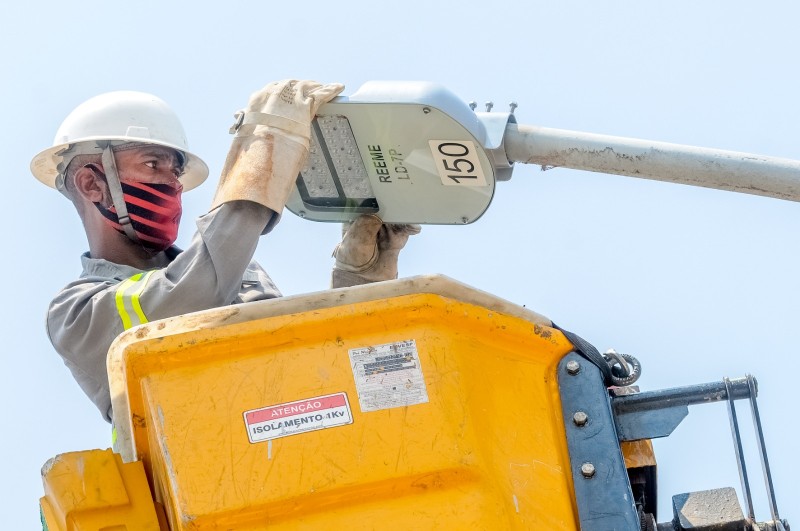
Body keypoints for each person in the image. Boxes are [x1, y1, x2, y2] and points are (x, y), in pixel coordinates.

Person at [31, 80, 419, 423]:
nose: (174, 184)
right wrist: (265, 156)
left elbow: (310, 363)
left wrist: (362, 274)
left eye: (176, 172)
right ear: (91, 184)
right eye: (153, 165)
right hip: (204, 491)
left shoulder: (238, 272)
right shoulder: (75, 313)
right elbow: (189, 302)